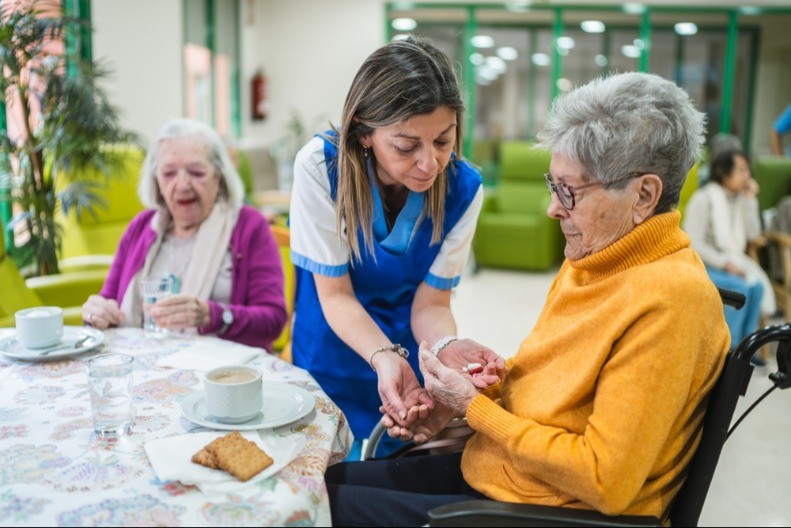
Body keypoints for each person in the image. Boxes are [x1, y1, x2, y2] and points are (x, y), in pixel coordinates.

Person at [324, 71, 731, 527]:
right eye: (552, 185)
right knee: (327, 482)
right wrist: (483, 388)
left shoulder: (670, 303)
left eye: (569, 191)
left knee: (323, 509)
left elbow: (606, 480)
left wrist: (474, 410)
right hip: (503, 475)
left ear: (644, 195)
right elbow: (559, 395)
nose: (553, 208)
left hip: (544, 512)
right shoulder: (597, 258)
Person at [288, 35, 503, 454]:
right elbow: (335, 297)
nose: (430, 164)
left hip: (410, 361)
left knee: (384, 474)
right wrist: (384, 355)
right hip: (330, 356)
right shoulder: (319, 168)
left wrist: (444, 349)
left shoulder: (464, 188)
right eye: (406, 146)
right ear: (365, 133)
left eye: (444, 141)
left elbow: (432, 304)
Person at [81, 118, 288, 350]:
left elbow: (273, 320)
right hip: (142, 368)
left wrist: (211, 316)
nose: (182, 185)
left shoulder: (248, 225)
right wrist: (97, 313)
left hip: (222, 375)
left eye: (196, 172)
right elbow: (108, 302)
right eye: (169, 173)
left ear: (218, 177)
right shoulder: (140, 227)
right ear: (155, 179)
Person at [683, 147, 776, 357]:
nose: (747, 176)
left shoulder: (739, 199)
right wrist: (724, 264)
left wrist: (750, 200)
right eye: (741, 170)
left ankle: (746, 348)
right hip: (706, 265)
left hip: (732, 263)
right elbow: (693, 242)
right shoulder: (704, 198)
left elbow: (753, 234)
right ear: (724, 172)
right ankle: (730, 350)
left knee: (758, 287)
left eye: (747, 170)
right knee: (741, 288)